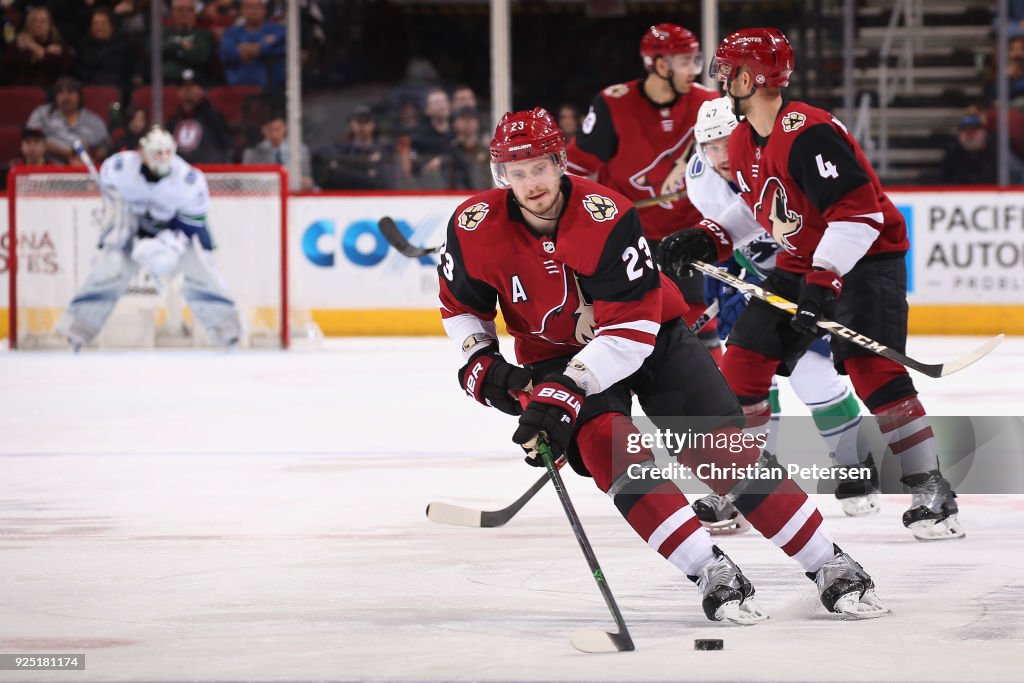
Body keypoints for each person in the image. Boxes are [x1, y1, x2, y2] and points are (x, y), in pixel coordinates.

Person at [437, 106, 889, 623]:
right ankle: (708, 568)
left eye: (539, 167)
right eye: (517, 172)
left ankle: (827, 561)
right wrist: (487, 368)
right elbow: (460, 307)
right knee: (615, 455)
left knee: (720, 452)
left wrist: (563, 391)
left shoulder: (606, 213)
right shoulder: (472, 225)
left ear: (560, 161)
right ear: (501, 175)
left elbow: (629, 334)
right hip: (554, 356)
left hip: (651, 337)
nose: (530, 182)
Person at [658, 27, 964, 541]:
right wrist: (708, 238)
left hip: (866, 260)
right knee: (744, 366)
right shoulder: (741, 137)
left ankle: (931, 488)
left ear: (751, 78)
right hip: (803, 262)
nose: (721, 79)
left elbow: (860, 214)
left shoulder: (809, 132)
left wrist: (825, 279)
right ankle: (745, 489)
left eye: (729, 70)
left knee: (872, 371)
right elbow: (758, 212)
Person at [681, 97, 880, 532]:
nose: (719, 157)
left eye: (725, 142)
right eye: (710, 147)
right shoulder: (701, 182)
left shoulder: (785, 155)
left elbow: (838, 224)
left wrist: (817, 282)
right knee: (745, 383)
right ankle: (745, 486)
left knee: (812, 375)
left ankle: (855, 466)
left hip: (812, 277)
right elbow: (735, 238)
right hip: (755, 277)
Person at [566, 24, 722, 357]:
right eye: (685, 61)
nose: (693, 69)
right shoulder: (613, 104)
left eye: (695, 60)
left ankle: (725, 402)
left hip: (690, 234)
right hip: (629, 234)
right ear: (660, 64)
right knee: (625, 326)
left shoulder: (709, 103)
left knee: (702, 322)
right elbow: (577, 166)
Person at [54, 127, 242, 350]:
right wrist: (119, 218)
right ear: (142, 152)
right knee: (110, 269)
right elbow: (109, 187)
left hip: (173, 233)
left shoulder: (188, 179)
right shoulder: (122, 167)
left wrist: (170, 246)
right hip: (133, 229)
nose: (163, 158)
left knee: (199, 272)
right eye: (156, 152)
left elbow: (195, 220)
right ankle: (78, 329)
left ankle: (228, 331)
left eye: (167, 152)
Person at [26, 76, 110, 165]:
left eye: (70, 92)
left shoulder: (94, 121)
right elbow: (30, 141)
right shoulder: (41, 115)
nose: (65, 97)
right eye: (60, 93)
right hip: (48, 167)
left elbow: (104, 148)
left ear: (79, 96)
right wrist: (69, 152)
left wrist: (91, 156)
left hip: (84, 169)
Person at [314, 106, 396, 190]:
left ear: (373, 124)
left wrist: (342, 167)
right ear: (351, 124)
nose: (362, 125)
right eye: (358, 121)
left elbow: (385, 183)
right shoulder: (339, 149)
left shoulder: (384, 150)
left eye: (366, 120)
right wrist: (367, 170)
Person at [166, 69, 232, 164]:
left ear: (201, 90)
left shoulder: (213, 117)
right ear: (178, 92)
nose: (188, 90)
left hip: (208, 172)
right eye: (183, 86)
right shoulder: (173, 120)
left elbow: (225, 148)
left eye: (192, 86)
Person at [219, 0, 286, 87]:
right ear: (242, 10)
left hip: (272, 89)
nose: (254, 11)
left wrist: (249, 49)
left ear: (264, 10)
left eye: (258, 7)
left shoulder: (277, 30)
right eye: (249, 7)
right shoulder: (232, 33)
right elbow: (226, 52)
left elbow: (281, 48)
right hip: (239, 87)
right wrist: (263, 46)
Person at [2, 6, 71, 87]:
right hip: (22, 89)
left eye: (43, 21)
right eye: (35, 21)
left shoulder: (59, 45)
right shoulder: (18, 44)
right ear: (29, 24)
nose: (39, 24)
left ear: (50, 25)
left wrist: (32, 46)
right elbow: (6, 69)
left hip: (50, 91)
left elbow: (63, 68)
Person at [242, 113, 314, 189]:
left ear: (285, 127)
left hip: (293, 195)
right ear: (263, 130)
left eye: (278, 129)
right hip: (265, 197)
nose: (274, 135)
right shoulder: (252, 153)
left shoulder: (300, 150)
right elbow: (246, 183)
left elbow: (308, 180)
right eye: (270, 130)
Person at [159, 0, 217, 86]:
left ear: (195, 13)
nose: (184, 13)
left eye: (189, 10)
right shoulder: (163, 33)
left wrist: (172, 50)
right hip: (165, 82)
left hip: (196, 82)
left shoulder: (204, 35)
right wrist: (180, 45)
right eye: (180, 9)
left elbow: (201, 57)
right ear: (173, 12)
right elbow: (152, 50)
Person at [940, 113, 996, 185]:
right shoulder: (953, 152)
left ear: (983, 132)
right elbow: (944, 180)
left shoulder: (995, 151)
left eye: (973, 131)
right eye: (966, 131)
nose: (970, 135)